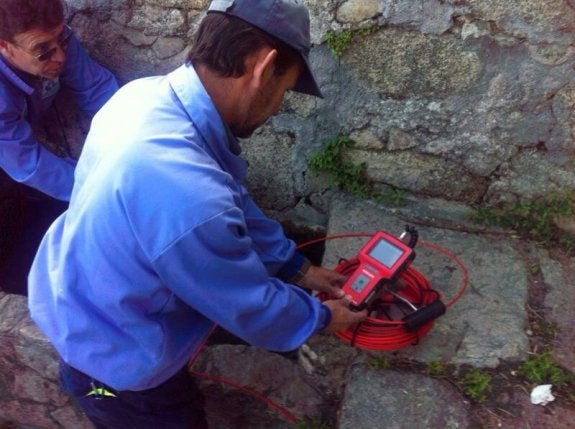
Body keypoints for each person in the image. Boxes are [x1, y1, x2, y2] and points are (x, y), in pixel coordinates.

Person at [29, 0, 367, 427]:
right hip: (117, 369)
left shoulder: (143, 98)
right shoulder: (188, 194)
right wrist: (320, 317)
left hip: (80, 304)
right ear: (262, 68)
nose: (278, 105)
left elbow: (232, 197)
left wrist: (297, 268)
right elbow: (246, 304)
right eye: (284, 90)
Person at [0, 0, 118, 295]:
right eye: (43, 51)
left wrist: (134, 145)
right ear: (4, 47)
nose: (61, 55)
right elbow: (29, 165)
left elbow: (98, 90)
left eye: (62, 38)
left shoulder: (51, 41)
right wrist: (98, 190)